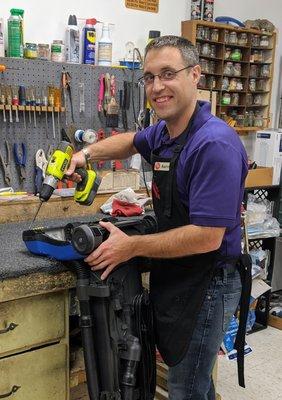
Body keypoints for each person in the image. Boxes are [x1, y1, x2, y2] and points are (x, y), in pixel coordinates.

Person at [66, 36, 249, 400]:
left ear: (195, 75)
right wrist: (85, 154)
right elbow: (132, 141)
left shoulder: (213, 145)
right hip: (178, 273)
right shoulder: (166, 133)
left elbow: (207, 236)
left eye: (168, 74)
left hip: (209, 280)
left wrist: (131, 246)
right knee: (191, 378)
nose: (157, 86)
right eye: (149, 77)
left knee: (186, 386)